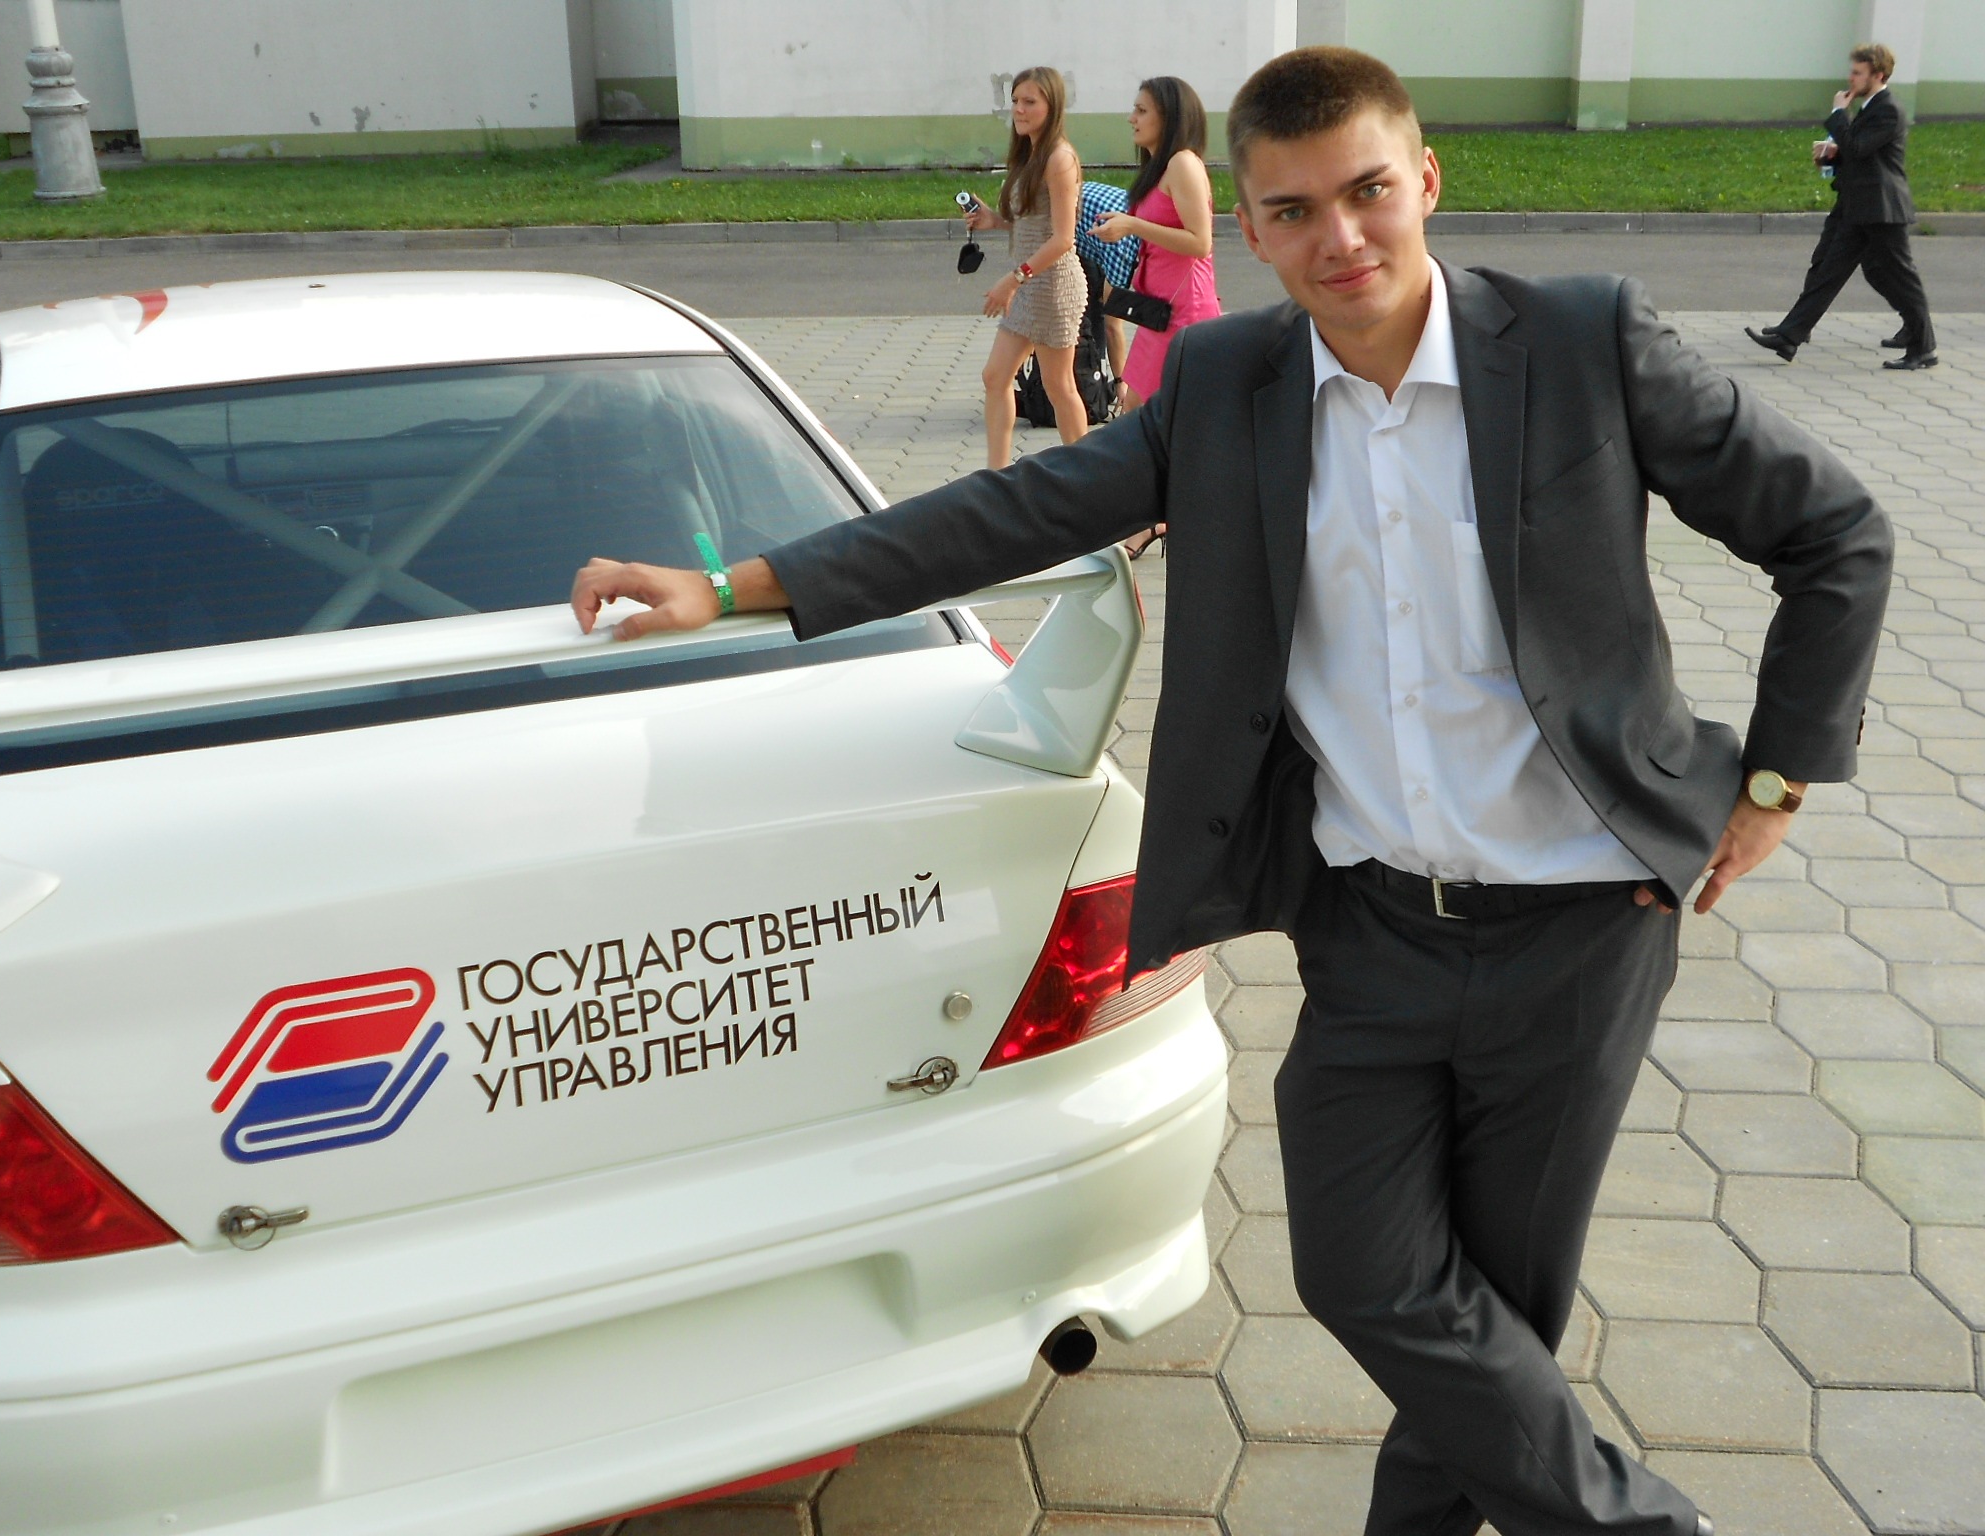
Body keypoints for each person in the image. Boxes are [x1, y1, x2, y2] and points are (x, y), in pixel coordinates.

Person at [574, 46, 1891, 1536]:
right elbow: (1009, 511)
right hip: (1372, 927)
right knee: (1365, 1274)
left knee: (1486, 1324)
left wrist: (1774, 779)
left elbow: (1835, 535)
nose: (1344, 238)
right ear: (1247, 227)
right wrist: (732, 587)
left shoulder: (1581, 341)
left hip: (1586, 927)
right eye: (1295, 210)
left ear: (1425, 179)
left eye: (1369, 192)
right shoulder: (1226, 384)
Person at [1747, 42, 1937, 371]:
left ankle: (1924, 348)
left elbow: (1859, 148)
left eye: (1858, 73)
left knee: (1900, 278)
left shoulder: (1888, 109)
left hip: (1882, 209)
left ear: (1878, 75)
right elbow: (1858, 153)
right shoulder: (1870, 108)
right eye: (1852, 71)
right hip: (1859, 206)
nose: (1851, 78)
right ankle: (1790, 336)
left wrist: (1838, 115)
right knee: (1829, 271)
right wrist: (1831, 158)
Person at [960, 65, 1090, 467]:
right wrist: (995, 221)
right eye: (1015, 100)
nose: (1019, 109)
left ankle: (1090, 474)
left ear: (1052, 107)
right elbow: (1034, 223)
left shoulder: (1059, 158)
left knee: (1059, 386)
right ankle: (998, 475)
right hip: (1030, 284)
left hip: (1052, 287)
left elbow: (1063, 238)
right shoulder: (1030, 153)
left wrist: (1014, 279)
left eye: (1030, 102)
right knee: (995, 377)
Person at [1092, 76, 1224, 412]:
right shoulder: (1161, 167)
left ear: (1169, 116)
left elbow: (1200, 242)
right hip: (1159, 312)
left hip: (1186, 312)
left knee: (1151, 415)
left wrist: (1133, 225)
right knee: (1139, 413)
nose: (1131, 118)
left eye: (1141, 110)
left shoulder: (1183, 164)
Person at [1075, 179, 1140, 403]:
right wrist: (1122, 381)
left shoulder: (1147, 215)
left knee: (1100, 301)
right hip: (1057, 225)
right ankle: (1089, 384)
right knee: (1095, 311)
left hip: (1079, 199)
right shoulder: (1123, 253)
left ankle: (1093, 378)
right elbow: (1113, 326)